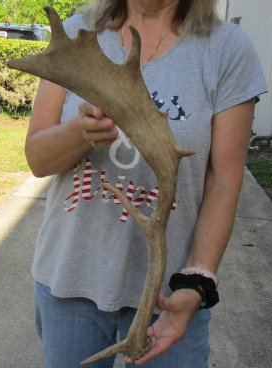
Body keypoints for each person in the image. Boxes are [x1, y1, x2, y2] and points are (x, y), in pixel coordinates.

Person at [25, 1, 267, 367]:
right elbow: (38, 159)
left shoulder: (226, 48)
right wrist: (79, 133)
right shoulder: (78, 37)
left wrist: (197, 281)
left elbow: (224, 180)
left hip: (169, 298)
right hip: (68, 283)